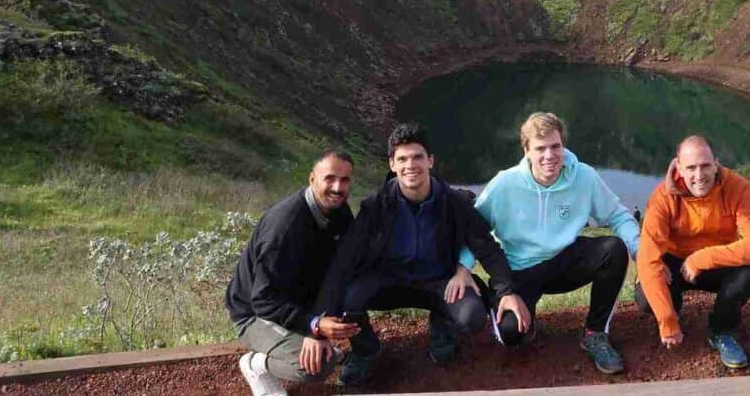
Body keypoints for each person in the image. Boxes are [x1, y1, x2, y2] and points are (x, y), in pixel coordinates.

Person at [315, 122, 529, 387]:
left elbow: (487, 247)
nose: (410, 165)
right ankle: (365, 348)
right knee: (348, 298)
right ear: (392, 164)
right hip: (388, 281)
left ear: (430, 161)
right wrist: (320, 318)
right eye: (402, 159)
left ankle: (442, 322)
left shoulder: (455, 203)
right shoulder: (375, 207)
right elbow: (345, 259)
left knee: (472, 316)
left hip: (439, 282)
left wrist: (507, 291)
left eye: (417, 157)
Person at [460, 111, 640, 374]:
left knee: (613, 250)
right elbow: (475, 229)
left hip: (565, 261)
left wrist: (639, 251)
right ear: (527, 150)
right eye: (540, 148)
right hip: (520, 270)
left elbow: (617, 214)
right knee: (511, 335)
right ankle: (525, 322)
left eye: (555, 146)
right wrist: (463, 267)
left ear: (563, 145)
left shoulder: (583, 177)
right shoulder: (504, 184)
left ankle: (595, 333)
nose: (549, 155)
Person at [225, 150, 360, 396]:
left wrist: (320, 322)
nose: (338, 188)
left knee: (358, 291)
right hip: (254, 313)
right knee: (315, 368)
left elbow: (341, 269)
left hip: (299, 302)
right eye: (329, 178)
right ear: (311, 179)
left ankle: (358, 351)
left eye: (345, 180)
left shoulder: (339, 211)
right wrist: (313, 326)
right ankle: (256, 365)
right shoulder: (285, 227)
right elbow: (263, 300)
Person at [635, 135, 750, 369]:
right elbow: (647, 257)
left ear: (716, 163)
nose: (699, 176)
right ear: (678, 167)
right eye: (691, 168)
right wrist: (666, 319)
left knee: (747, 272)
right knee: (647, 295)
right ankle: (674, 313)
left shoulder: (738, 188)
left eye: (705, 166)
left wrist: (702, 258)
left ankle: (722, 330)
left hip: (715, 263)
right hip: (675, 264)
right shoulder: (662, 198)